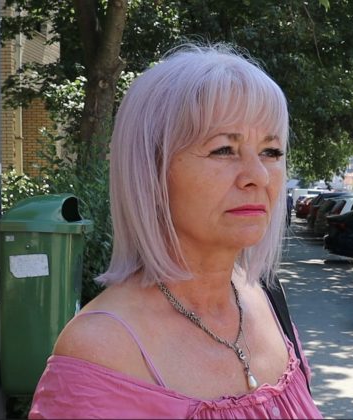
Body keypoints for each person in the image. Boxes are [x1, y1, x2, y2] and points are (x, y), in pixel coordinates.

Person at [29, 44, 321, 419]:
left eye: (271, 151)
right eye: (224, 149)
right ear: (151, 171)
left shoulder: (266, 297)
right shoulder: (102, 351)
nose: (258, 176)